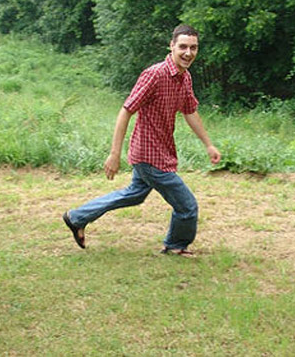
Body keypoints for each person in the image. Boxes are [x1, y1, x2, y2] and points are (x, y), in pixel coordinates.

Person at [63, 24, 221, 256]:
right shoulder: (154, 75)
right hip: (149, 155)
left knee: (133, 195)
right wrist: (114, 153)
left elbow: (190, 111)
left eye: (194, 48)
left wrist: (208, 144)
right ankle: (176, 245)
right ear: (172, 46)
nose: (188, 53)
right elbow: (126, 110)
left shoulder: (184, 78)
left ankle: (76, 217)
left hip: (161, 151)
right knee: (187, 206)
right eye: (183, 47)